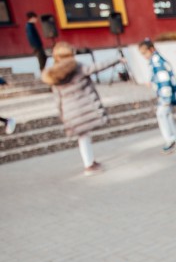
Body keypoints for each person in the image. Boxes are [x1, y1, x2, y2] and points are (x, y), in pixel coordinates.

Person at [41, 42, 123, 175]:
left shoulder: (54, 74)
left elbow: (57, 98)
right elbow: (96, 67)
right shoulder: (77, 67)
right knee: (84, 137)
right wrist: (116, 59)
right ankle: (89, 165)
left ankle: (90, 161)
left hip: (70, 111)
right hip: (84, 107)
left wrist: (61, 114)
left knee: (83, 137)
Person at [138, 39, 176, 153]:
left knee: (162, 115)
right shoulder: (157, 60)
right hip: (166, 94)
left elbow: (164, 79)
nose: (144, 56)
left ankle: (170, 140)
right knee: (168, 116)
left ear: (151, 49)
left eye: (145, 53)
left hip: (165, 95)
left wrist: (165, 98)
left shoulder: (156, 61)